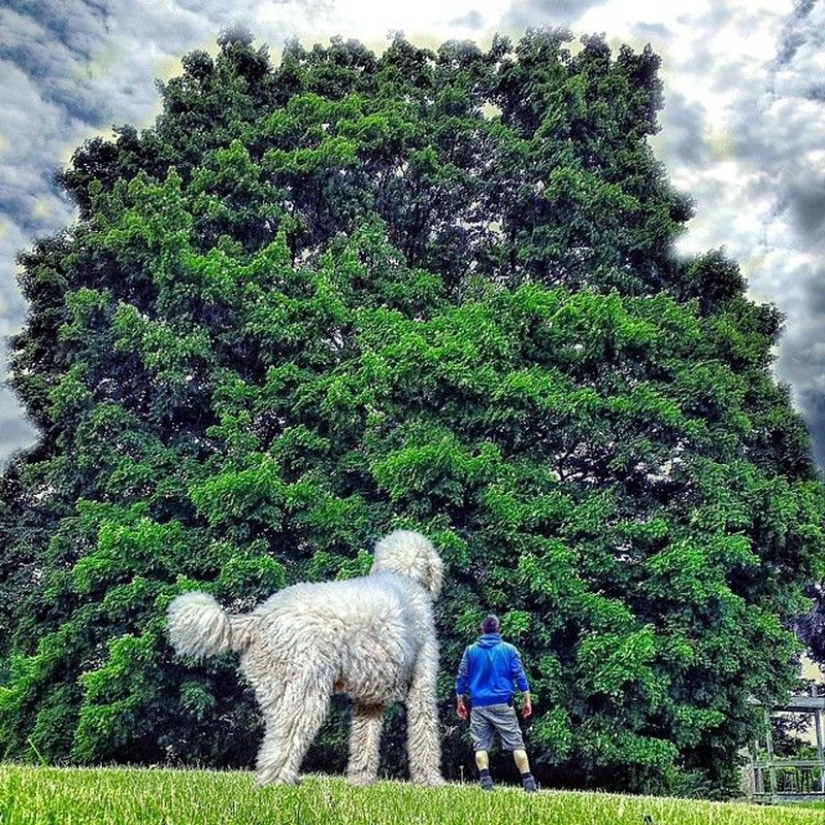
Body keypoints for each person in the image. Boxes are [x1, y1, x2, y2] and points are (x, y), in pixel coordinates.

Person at [455, 614, 537, 792]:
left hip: (479, 705)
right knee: (516, 744)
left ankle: (486, 783)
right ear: (498, 629)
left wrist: (460, 701)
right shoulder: (509, 650)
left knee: (480, 745)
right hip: (503, 704)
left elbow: (461, 677)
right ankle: (528, 784)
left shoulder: (470, 651)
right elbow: (520, 676)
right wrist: (527, 700)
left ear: (482, 630)